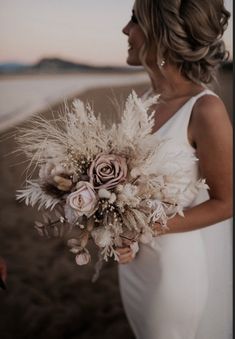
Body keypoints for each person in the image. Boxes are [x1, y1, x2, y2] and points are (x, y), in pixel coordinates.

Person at [116, 1, 232, 339]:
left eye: (135, 19)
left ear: (161, 33)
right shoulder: (141, 100)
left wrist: (148, 226)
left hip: (174, 268)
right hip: (136, 264)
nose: (126, 30)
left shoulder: (205, 109)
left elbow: (226, 202)